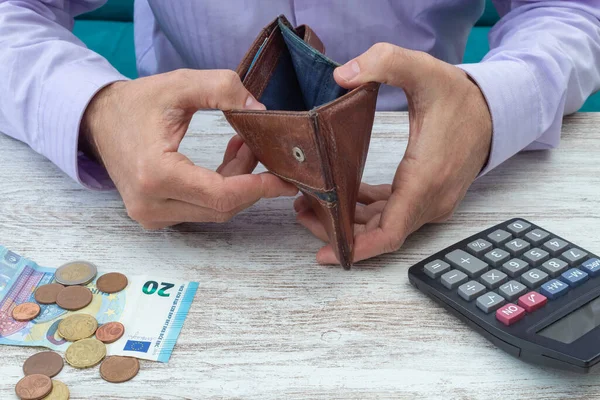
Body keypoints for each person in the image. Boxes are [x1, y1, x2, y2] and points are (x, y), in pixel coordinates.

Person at [0, 1, 599, 265]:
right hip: (180, 152)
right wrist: (96, 109)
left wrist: (487, 106)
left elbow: (574, 8)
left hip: (424, 146)